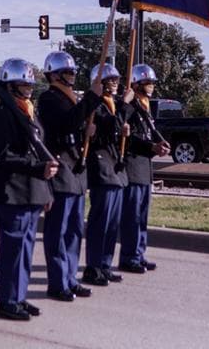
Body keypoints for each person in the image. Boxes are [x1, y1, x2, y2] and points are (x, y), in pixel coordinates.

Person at [0, 58, 57, 321]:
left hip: (32, 191)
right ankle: (7, 302)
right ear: (9, 85)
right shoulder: (3, 113)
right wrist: (38, 169)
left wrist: (46, 190)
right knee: (13, 250)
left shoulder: (28, 110)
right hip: (12, 192)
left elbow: (41, 151)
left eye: (29, 84)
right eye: (22, 84)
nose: (28, 89)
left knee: (26, 249)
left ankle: (19, 297)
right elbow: (5, 156)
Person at [36, 51, 102, 302]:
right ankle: (57, 282)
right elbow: (64, 125)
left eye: (73, 72)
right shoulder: (49, 98)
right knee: (58, 232)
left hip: (76, 172)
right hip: (61, 170)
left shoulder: (73, 99)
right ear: (54, 74)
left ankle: (70, 278)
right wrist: (92, 100)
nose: (73, 75)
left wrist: (88, 131)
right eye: (68, 72)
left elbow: (76, 126)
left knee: (75, 231)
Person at [82, 63, 131, 287]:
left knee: (112, 223)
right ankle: (93, 267)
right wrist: (125, 106)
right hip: (101, 166)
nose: (116, 83)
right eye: (110, 80)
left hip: (114, 166)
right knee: (100, 221)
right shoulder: (97, 104)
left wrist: (123, 130)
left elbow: (115, 130)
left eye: (116, 79)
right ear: (99, 83)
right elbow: (108, 127)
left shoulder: (112, 105)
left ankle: (105, 264)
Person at [119, 64, 170, 274]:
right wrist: (151, 147)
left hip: (145, 167)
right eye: (147, 83)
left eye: (152, 83)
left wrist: (161, 143)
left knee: (142, 215)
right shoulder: (130, 106)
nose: (151, 87)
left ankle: (139, 254)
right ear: (137, 84)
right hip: (132, 166)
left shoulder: (145, 106)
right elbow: (128, 137)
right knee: (132, 217)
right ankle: (128, 257)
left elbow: (150, 131)